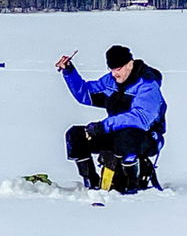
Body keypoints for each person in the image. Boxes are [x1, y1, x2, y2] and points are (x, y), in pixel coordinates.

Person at [56, 45, 167, 194]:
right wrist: (69, 71)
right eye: (111, 69)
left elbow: (141, 118)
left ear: (129, 64)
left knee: (126, 137)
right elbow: (85, 94)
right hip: (115, 131)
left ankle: (132, 185)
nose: (114, 73)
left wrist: (103, 126)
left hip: (146, 138)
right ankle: (92, 183)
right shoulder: (110, 81)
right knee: (75, 135)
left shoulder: (147, 85)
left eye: (118, 68)